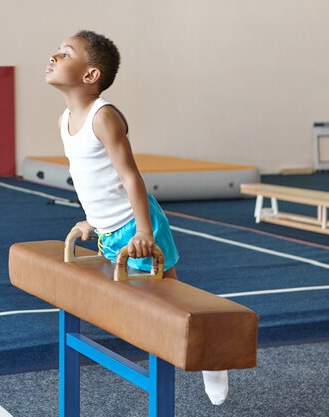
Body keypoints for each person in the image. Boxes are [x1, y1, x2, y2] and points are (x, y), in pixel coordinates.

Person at [45, 29, 228, 406]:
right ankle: (206, 349)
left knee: (171, 301)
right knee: (157, 303)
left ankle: (214, 356)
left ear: (91, 75)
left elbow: (130, 176)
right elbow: (94, 180)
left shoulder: (103, 116)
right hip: (109, 231)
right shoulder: (65, 119)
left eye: (65, 53)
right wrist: (91, 220)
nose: (54, 55)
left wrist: (144, 231)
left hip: (136, 225)